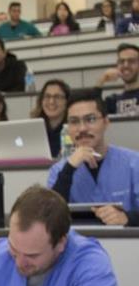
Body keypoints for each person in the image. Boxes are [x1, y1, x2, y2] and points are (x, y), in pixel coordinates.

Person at [47, 92, 139, 227]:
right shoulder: (59, 171)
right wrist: (70, 168)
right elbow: (48, 219)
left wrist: (127, 218)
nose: (82, 128)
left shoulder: (133, 162)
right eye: (74, 122)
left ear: (106, 122)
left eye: (90, 119)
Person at [97, 43, 139, 117]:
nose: (125, 65)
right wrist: (101, 80)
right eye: (121, 61)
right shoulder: (112, 101)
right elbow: (93, 113)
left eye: (131, 61)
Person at [30, 80, 69, 159]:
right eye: (47, 96)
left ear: (67, 101)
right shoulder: (33, 127)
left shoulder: (73, 127)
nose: (51, 102)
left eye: (57, 97)